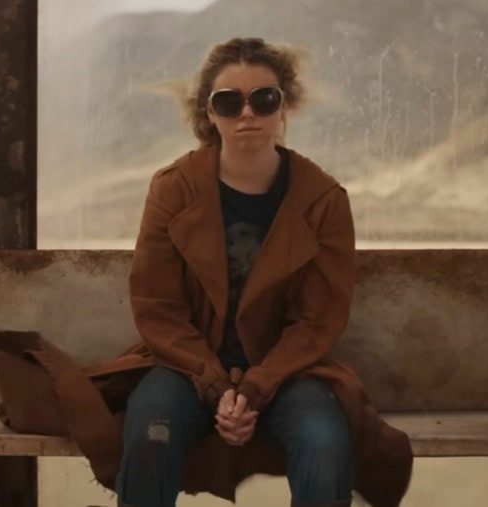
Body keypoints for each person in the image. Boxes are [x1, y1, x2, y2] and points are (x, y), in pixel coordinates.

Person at [113, 37, 412, 507]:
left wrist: (256, 386)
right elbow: (158, 307)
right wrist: (215, 384)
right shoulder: (174, 189)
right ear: (209, 113)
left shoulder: (322, 200)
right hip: (187, 367)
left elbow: (318, 319)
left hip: (289, 370)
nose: (248, 113)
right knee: (152, 431)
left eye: (264, 98)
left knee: (324, 441)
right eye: (229, 102)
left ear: (285, 106)